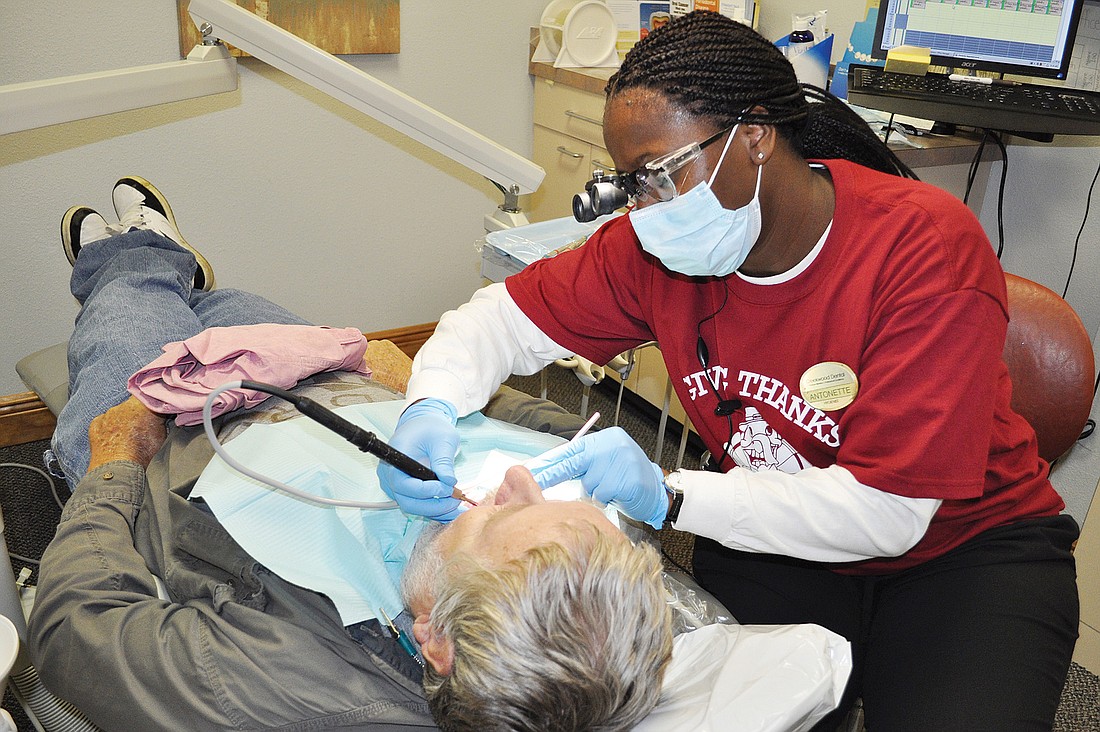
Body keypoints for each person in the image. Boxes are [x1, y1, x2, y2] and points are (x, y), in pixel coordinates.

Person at [378, 11, 1080, 731]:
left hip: (966, 548)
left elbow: (889, 513)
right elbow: (496, 321)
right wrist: (427, 407)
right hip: (773, 535)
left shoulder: (922, 251)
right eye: (630, 184)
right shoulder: (654, 250)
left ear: (754, 136)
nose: (644, 210)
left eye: (659, 175)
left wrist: (670, 497)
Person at [27, 177, 673, 731]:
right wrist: (427, 392)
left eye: (503, 514)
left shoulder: (288, 677)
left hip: (166, 431)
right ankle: (181, 278)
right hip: (329, 375)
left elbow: (76, 629)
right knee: (229, 305)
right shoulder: (584, 596)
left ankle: (135, 253)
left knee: (126, 297)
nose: (518, 482)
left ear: (436, 641)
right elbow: (526, 426)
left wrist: (114, 465)